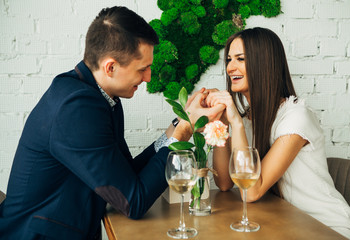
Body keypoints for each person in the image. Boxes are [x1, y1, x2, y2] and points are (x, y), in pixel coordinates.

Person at [0, 6, 224, 240]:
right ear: (110, 67)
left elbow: (126, 179)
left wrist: (180, 121)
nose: (148, 78)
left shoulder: (97, 96)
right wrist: (185, 130)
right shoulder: (76, 108)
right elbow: (133, 202)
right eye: (143, 68)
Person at [205, 27, 350, 239]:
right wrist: (220, 123)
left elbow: (251, 192)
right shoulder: (248, 120)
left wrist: (236, 124)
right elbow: (224, 183)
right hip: (285, 224)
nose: (230, 67)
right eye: (229, 60)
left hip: (327, 227)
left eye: (240, 59)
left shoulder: (296, 117)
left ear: (264, 64)